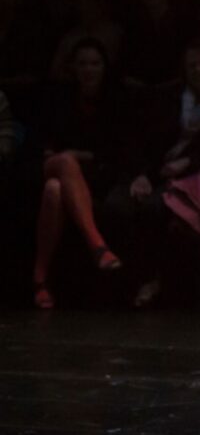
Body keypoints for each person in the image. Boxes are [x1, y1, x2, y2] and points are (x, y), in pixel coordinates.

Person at [105, 38, 200, 307]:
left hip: (197, 177)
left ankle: (154, 282)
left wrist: (189, 161)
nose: (199, 70)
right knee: (117, 205)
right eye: (192, 65)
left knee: (156, 209)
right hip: (154, 172)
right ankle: (122, 282)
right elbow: (142, 141)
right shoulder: (168, 98)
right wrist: (141, 174)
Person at [32, 38, 128, 308]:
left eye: (95, 63)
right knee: (63, 163)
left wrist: (81, 155)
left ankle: (40, 278)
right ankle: (97, 244)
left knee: (54, 191)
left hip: (90, 174)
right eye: (83, 63)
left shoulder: (115, 101)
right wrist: (66, 155)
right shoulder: (56, 98)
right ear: (72, 67)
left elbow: (117, 149)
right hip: (48, 165)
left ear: (104, 67)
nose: (89, 69)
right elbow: (40, 143)